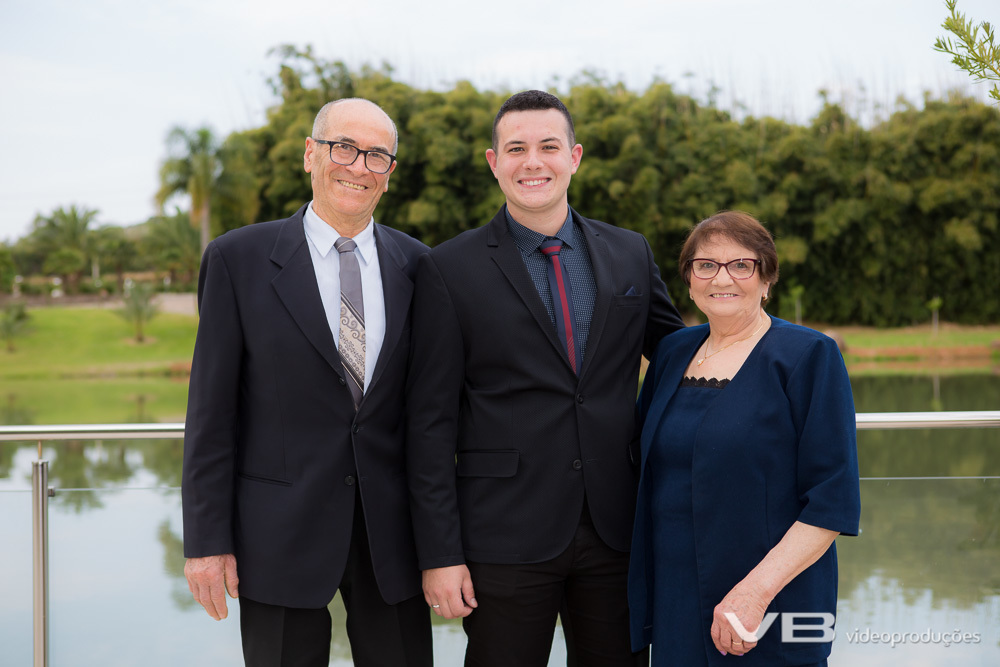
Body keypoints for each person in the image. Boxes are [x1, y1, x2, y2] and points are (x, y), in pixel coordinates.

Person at [406, 89, 685, 666]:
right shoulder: (447, 267)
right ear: (494, 162)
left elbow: (679, 357)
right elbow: (429, 423)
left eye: (548, 146)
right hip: (502, 535)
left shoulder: (630, 252)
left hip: (617, 527)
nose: (532, 162)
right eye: (516, 149)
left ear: (574, 157)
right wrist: (440, 554)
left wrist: (767, 353)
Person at [181, 98, 433, 667]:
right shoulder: (236, 259)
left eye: (376, 155)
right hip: (277, 535)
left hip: (393, 537)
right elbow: (211, 415)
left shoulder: (419, 266)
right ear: (309, 155)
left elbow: (429, 412)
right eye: (343, 148)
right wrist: (206, 542)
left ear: (389, 173)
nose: (358, 166)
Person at [628, 211, 861, 666]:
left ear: (766, 278)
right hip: (675, 600)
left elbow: (832, 501)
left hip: (769, 600)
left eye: (741, 265)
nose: (722, 278)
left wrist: (754, 594)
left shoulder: (809, 355)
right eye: (706, 265)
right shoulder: (673, 352)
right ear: (689, 281)